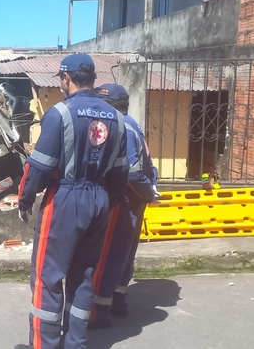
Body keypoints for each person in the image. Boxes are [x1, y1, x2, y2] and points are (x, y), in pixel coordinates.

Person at [14, 54, 129, 349]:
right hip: (100, 199)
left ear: (66, 78)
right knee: (84, 275)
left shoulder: (60, 113)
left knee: (47, 278)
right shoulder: (116, 117)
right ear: (91, 78)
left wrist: (25, 200)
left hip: (65, 199)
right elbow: (121, 172)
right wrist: (106, 202)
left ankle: (45, 344)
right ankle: (75, 342)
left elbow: (38, 166)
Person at [90, 84, 158, 328]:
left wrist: (147, 192)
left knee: (111, 254)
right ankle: (117, 299)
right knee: (124, 253)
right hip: (134, 197)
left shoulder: (120, 127)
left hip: (126, 197)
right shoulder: (130, 123)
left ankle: (100, 310)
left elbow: (132, 172)